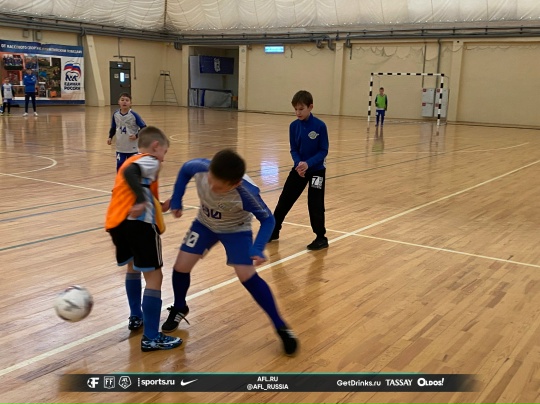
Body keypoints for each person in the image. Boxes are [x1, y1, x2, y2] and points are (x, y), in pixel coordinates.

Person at [162, 149, 298, 356]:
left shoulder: (247, 193)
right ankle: (180, 307)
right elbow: (185, 170)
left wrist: (257, 247)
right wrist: (177, 198)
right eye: (210, 180)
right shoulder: (201, 167)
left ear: (235, 184)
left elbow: (268, 219)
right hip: (205, 224)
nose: (211, 187)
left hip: (236, 229)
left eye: (218, 187)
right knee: (181, 266)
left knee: (247, 276)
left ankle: (281, 327)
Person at [105, 126, 182, 352]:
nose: (163, 158)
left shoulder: (131, 161)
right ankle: (151, 337)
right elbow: (132, 175)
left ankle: (135, 316)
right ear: (156, 147)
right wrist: (140, 201)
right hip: (140, 226)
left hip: (118, 223)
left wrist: (160, 206)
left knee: (132, 267)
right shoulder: (150, 161)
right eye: (164, 152)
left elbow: (135, 184)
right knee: (155, 277)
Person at [270, 90, 329, 250]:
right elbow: (294, 149)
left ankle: (321, 237)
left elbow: (323, 150)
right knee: (285, 199)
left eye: (301, 109)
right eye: (295, 109)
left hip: (317, 172)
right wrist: (298, 164)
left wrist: (308, 164)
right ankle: (274, 230)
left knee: (315, 203)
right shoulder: (293, 126)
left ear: (310, 107)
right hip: (299, 170)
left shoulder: (320, 126)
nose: (298, 112)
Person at [107, 92, 146, 171]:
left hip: (132, 148)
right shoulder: (115, 114)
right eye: (122, 100)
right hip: (120, 147)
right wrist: (110, 137)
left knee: (132, 168)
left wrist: (136, 135)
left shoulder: (134, 115)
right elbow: (113, 127)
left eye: (127, 100)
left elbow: (144, 128)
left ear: (130, 103)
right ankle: (120, 179)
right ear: (118, 102)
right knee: (120, 166)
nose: (124, 102)